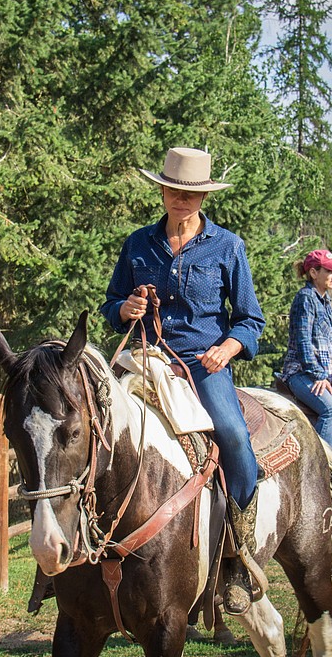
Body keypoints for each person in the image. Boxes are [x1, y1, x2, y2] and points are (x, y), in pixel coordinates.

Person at [100, 146, 266, 615]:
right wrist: (124, 309)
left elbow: (250, 320)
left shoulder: (227, 246)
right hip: (144, 358)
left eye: (191, 194)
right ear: (162, 190)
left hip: (201, 365)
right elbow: (112, 304)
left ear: (203, 197)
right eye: (174, 190)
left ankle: (237, 554)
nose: (181, 199)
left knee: (234, 437)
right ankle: (63, 564)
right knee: (87, 425)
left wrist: (227, 348)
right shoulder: (137, 244)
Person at [278, 249, 332, 448]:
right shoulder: (306, 298)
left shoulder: (325, 301)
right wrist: (318, 375)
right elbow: (303, 343)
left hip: (318, 374)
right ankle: (324, 468)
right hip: (300, 374)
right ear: (313, 273)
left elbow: (327, 343)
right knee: (331, 411)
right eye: (330, 271)